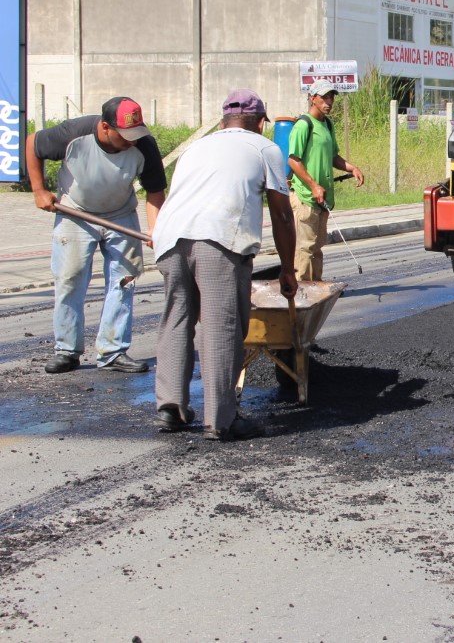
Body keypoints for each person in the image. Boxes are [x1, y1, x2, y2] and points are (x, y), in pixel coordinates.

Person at [150, 89, 297, 440]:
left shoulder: (197, 147)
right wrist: (287, 269)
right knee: (221, 327)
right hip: (218, 238)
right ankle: (221, 419)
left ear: (222, 121)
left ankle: (171, 406)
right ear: (261, 123)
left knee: (177, 319)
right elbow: (281, 213)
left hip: (169, 237)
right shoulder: (266, 148)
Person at [26, 97, 167, 374]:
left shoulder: (144, 145)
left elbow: (154, 191)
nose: (131, 141)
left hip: (121, 215)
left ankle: (112, 351)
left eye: (135, 135)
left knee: (124, 281)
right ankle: (67, 350)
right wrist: (38, 189)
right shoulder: (73, 134)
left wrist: (155, 230)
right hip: (74, 213)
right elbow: (33, 142)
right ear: (105, 127)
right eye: (125, 136)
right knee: (70, 280)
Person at [287, 80, 365, 281]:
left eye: (331, 97)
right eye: (324, 97)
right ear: (313, 98)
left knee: (317, 246)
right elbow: (293, 160)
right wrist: (313, 185)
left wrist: (352, 168)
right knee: (305, 247)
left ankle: (316, 286)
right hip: (306, 196)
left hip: (322, 198)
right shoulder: (304, 125)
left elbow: (333, 157)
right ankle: (301, 290)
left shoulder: (327, 125)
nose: (329, 102)